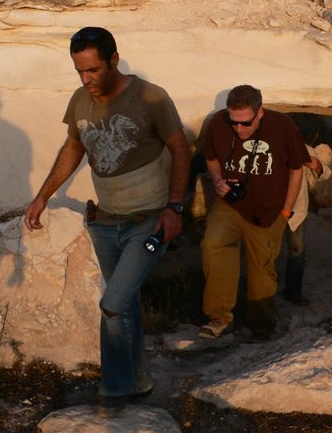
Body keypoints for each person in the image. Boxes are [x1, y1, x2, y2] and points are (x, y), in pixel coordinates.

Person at [24, 26, 190, 416]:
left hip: (149, 222)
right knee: (125, 301)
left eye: (94, 70)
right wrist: (43, 195)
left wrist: (175, 208)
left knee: (113, 303)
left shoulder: (151, 97)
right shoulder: (80, 101)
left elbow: (181, 149)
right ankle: (141, 381)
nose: (86, 79)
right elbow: (74, 146)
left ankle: (114, 391)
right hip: (105, 222)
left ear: (114, 60)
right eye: (79, 71)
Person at [199, 85, 309, 340]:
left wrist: (286, 212)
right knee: (214, 246)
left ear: (259, 112)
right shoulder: (218, 123)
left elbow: (296, 169)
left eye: (245, 123)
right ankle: (219, 317)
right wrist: (217, 181)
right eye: (234, 122)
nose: (239, 128)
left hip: (269, 209)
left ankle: (261, 328)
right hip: (230, 203)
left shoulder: (282, 126)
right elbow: (211, 158)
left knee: (262, 268)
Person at [282, 151, 330, 306]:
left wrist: (317, 166)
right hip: (268, 208)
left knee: (297, 251)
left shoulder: (301, 148)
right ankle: (260, 293)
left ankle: (293, 291)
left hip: (295, 210)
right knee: (265, 251)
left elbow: (325, 174)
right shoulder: (261, 145)